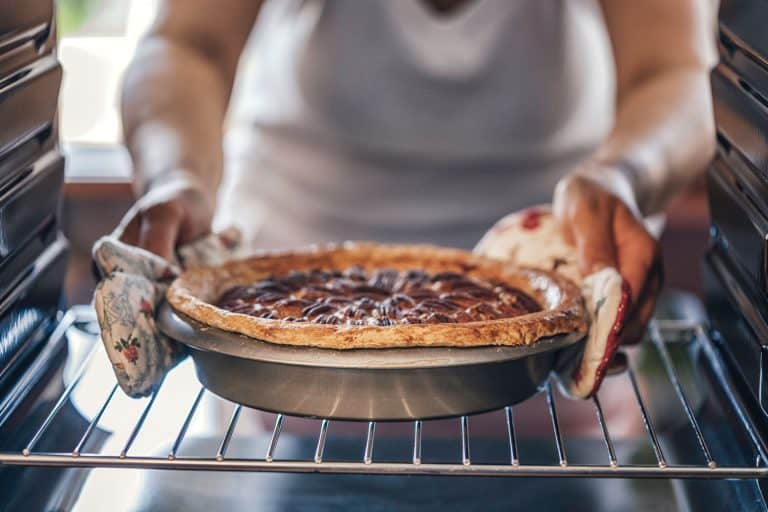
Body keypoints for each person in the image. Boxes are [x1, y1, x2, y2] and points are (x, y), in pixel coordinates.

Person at [117, 0, 717, 346]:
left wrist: (620, 175)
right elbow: (186, 45)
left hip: (552, 309)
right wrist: (179, 177)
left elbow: (673, 74)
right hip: (276, 310)